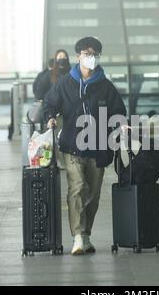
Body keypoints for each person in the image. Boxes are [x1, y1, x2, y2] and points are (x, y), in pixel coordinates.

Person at [43, 37, 126, 255]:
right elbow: (50, 103)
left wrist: (121, 125)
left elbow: (119, 111)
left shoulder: (105, 86)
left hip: (99, 146)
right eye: (88, 53)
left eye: (96, 54)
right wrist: (50, 117)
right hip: (72, 144)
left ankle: (86, 234)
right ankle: (78, 236)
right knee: (77, 187)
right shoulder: (65, 83)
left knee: (93, 193)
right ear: (79, 55)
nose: (92, 57)